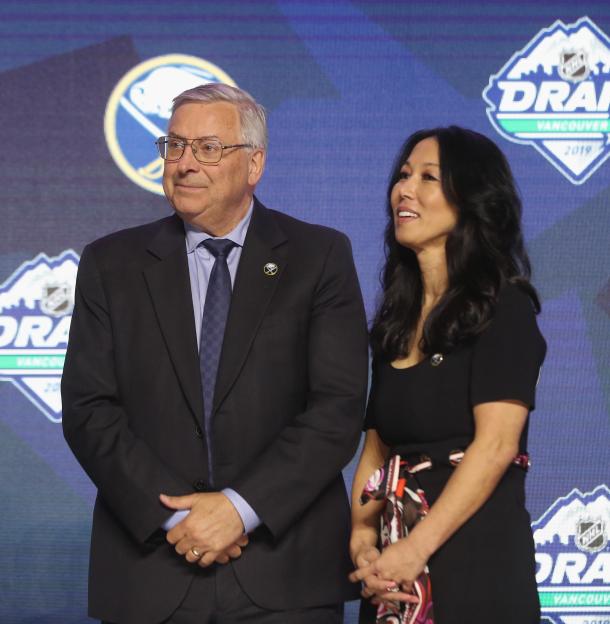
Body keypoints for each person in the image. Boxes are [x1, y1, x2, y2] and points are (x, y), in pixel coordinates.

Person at [61, 83, 368, 624]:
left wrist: (239, 510)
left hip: (284, 576)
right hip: (151, 575)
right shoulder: (111, 264)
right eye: (173, 146)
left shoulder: (319, 257)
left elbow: (336, 409)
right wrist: (179, 520)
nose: (184, 163)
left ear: (254, 164)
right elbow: (89, 410)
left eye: (207, 147)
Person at [349, 126, 545, 623]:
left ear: (472, 200)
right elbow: (377, 448)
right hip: (396, 572)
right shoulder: (395, 319)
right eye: (403, 174)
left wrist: (417, 549)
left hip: (475, 564)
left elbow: (497, 446)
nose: (404, 189)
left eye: (428, 177)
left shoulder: (505, 308)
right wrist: (363, 537)